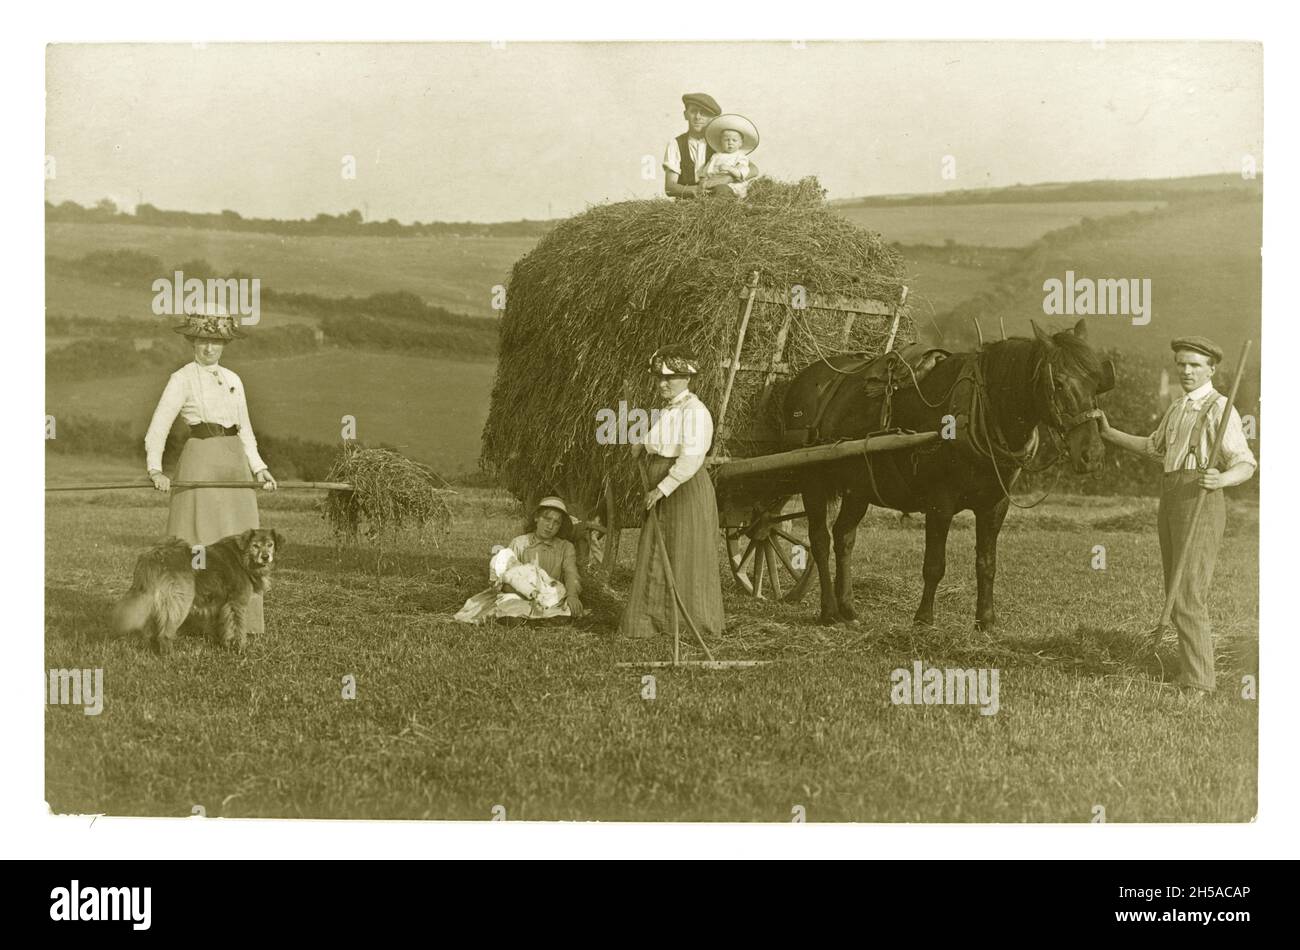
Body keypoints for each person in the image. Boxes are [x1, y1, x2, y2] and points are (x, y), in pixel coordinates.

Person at [1089, 336, 1256, 703]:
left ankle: (1198, 684)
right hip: (1172, 497)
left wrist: (1221, 479)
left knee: (1188, 593)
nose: (1186, 370)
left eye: (1195, 364)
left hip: (1201, 498)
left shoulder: (1220, 408)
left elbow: (1246, 462)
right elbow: (1153, 447)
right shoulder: (1179, 407)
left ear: (1211, 369)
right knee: (1175, 590)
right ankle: (1187, 671)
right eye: (1181, 363)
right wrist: (1109, 432)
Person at [144, 309, 277, 635]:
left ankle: (238, 625)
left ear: (225, 344)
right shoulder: (182, 378)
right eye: (203, 340)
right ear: (192, 341)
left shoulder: (233, 380)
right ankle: (192, 622)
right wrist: (155, 469)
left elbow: (245, 429)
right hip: (200, 461)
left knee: (240, 543)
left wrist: (259, 469)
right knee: (200, 543)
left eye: (216, 342)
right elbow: (157, 428)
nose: (209, 348)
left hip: (235, 468)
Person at [619, 345, 725, 639]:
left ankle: (691, 623)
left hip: (683, 490)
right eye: (659, 378)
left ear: (687, 378)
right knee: (658, 550)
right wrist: (643, 444)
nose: (663, 383)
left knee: (683, 551)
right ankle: (654, 621)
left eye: (671, 378)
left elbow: (691, 458)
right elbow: (665, 441)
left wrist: (661, 489)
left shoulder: (695, 412)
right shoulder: (671, 409)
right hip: (665, 487)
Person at [454, 497, 585, 625]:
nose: (550, 526)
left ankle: (545, 616)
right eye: (547, 519)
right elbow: (506, 577)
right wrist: (526, 593)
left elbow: (571, 573)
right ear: (536, 518)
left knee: (566, 607)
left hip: (550, 594)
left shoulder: (565, 547)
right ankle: (526, 617)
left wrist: (572, 595)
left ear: (560, 526)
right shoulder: (520, 543)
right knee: (510, 604)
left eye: (556, 522)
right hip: (521, 594)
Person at [662, 92, 720, 199]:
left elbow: (752, 169)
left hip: (717, 205)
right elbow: (670, 187)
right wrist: (698, 189)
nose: (698, 117)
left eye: (703, 113)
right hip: (686, 208)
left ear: (712, 117)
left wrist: (727, 178)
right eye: (693, 111)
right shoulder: (675, 144)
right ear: (685, 115)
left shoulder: (719, 143)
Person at [697, 113, 760, 198]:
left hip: (732, 185)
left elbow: (742, 173)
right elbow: (707, 171)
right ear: (721, 142)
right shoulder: (716, 156)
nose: (730, 143)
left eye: (734, 140)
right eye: (726, 140)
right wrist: (704, 180)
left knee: (722, 190)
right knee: (708, 192)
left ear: (740, 143)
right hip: (714, 182)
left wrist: (730, 169)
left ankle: (725, 205)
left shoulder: (740, 157)